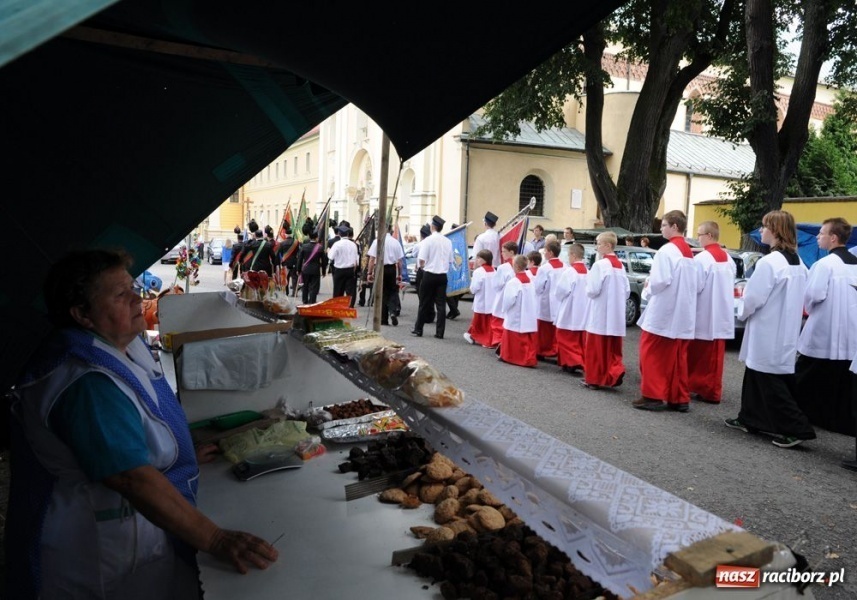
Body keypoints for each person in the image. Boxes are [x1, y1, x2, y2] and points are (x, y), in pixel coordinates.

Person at [7, 249, 278, 599]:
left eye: (133, 287)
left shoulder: (120, 346)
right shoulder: (87, 384)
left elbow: (135, 423)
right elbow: (131, 477)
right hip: (97, 551)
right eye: (121, 295)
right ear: (82, 315)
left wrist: (178, 451)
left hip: (131, 535)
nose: (139, 298)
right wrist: (216, 538)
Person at [725, 210, 814, 448]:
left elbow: (754, 298)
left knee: (769, 380)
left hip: (768, 328)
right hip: (784, 328)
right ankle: (749, 418)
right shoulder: (797, 261)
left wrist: (742, 312)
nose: (761, 230)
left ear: (775, 231)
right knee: (757, 375)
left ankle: (797, 429)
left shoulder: (770, 262)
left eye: (764, 227)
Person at [795, 217, 857, 436]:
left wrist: (811, 310)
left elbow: (812, 296)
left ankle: (800, 416)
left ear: (833, 238)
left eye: (821, 233)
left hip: (825, 330)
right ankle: (836, 420)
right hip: (850, 334)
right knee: (839, 380)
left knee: (806, 375)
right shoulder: (855, 264)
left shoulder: (825, 265)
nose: (818, 237)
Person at [633, 210, 698, 412]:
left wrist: (648, 284)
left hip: (664, 311)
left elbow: (660, 281)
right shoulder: (688, 251)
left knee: (651, 353)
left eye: (663, 225)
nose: (660, 228)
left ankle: (652, 395)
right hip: (682, 311)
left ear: (675, 227)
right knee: (676, 357)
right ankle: (678, 398)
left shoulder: (667, 251)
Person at [687, 221, 736, 404]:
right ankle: (711, 389)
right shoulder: (728, 258)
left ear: (709, 236)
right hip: (720, 314)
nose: (697, 238)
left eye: (699, 234)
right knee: (714, 358)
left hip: (704, 313)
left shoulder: (703, 259)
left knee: (699, 356)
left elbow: (696, 286)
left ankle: (701, 387)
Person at [581, 232, 629, 389]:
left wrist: (587, 287)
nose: (597, 246)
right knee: (611, 348)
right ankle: (613, 372)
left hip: (601, 311)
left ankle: (594, 378)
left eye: (599, 243)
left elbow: (593, 290)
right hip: (616, 313)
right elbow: (627, 291)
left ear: (608, 245)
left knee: (596, 349)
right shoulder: (620, 265)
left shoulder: (600, 265)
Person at [411, 215, 453, 338]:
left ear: (432, 227)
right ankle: (440, 332)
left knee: (424, 302)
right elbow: (450, 260)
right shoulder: (448, 241)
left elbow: (422, 259)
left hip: (429, 274)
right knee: (441, 305)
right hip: (442, 276)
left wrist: (423, 267)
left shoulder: (428, 240)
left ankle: (419, 329)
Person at [554, 243, 588, 375]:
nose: (568, 258)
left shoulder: (569, 272)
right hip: (583, 309)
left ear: (573, 255)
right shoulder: (588, 271)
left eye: (569, 255)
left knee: (565, 337)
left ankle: (574, 361)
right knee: (579, 339)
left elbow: (560, 291)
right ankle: (572, 361)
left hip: (570, 309)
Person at [499, 255, 539, 367]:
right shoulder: (530, 280)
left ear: (516, 266)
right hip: (529, 312)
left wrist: (504, 310)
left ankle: (511, 356)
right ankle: (528, 358)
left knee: (514, 336)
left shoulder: (514, 282)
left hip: (516, 313)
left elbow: (508, 300)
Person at [533, 240, 565, 359]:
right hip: (560, 301)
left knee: (543, 328)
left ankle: (542, 350)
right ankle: (555, 348)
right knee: (555, 326)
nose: (544, 254)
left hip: (545, 302)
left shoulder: (545, 268)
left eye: (545, 251)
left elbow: (538, 287)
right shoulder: (565, 266)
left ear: (550, 253)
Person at [367, 226, 405, 326]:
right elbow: (400, 261)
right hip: (391, 269)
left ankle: (384, 319)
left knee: (382, 292)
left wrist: (369, 273)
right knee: (392, 291)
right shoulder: (395, 242)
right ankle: (392, 311)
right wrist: (400, 274)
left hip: (380, 268)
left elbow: (371, 259)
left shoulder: (377, 241)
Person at [463, 249, 497, 347]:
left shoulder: (479, 272)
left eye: (479, 258)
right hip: (491, 300)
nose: (477, 260)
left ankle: (479, 338)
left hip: (482, 300)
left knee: (478, 323)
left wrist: (470, 288)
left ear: (484, 260)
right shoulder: (494, 270)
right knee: (487, 323)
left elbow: (474, 288)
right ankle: (485, 339)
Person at [489, 241, 519, 348]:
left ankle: (498, 341)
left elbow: (496, 285)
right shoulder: (521, 264)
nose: (502, 254)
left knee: (498, 320)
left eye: (504, 252)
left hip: (503, 296)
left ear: (511, 252)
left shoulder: (503, 267)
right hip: (517, 297)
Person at [327, 226, 360, 307]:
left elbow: (330, 257)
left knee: (338, 290)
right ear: (348, 234)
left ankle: (338, 306)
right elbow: (356, 259)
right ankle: (350, 306)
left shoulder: (337, 244)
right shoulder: (353, 244)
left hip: (339, 270)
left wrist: (328, 251)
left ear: (339, 234)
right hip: (350, 269)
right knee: (350, 291)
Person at [296, 230, 325, 304]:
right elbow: (324, 261)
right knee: (314, 287)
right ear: (317, 237)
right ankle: (312, 301)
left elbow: (300, 259)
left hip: (305, 269)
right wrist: (324, 271)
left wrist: (298, 269)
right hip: (315, 270)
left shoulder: (304, 246)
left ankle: (304, 301)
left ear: (309, 237)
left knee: (305, 286)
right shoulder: (320, 248)